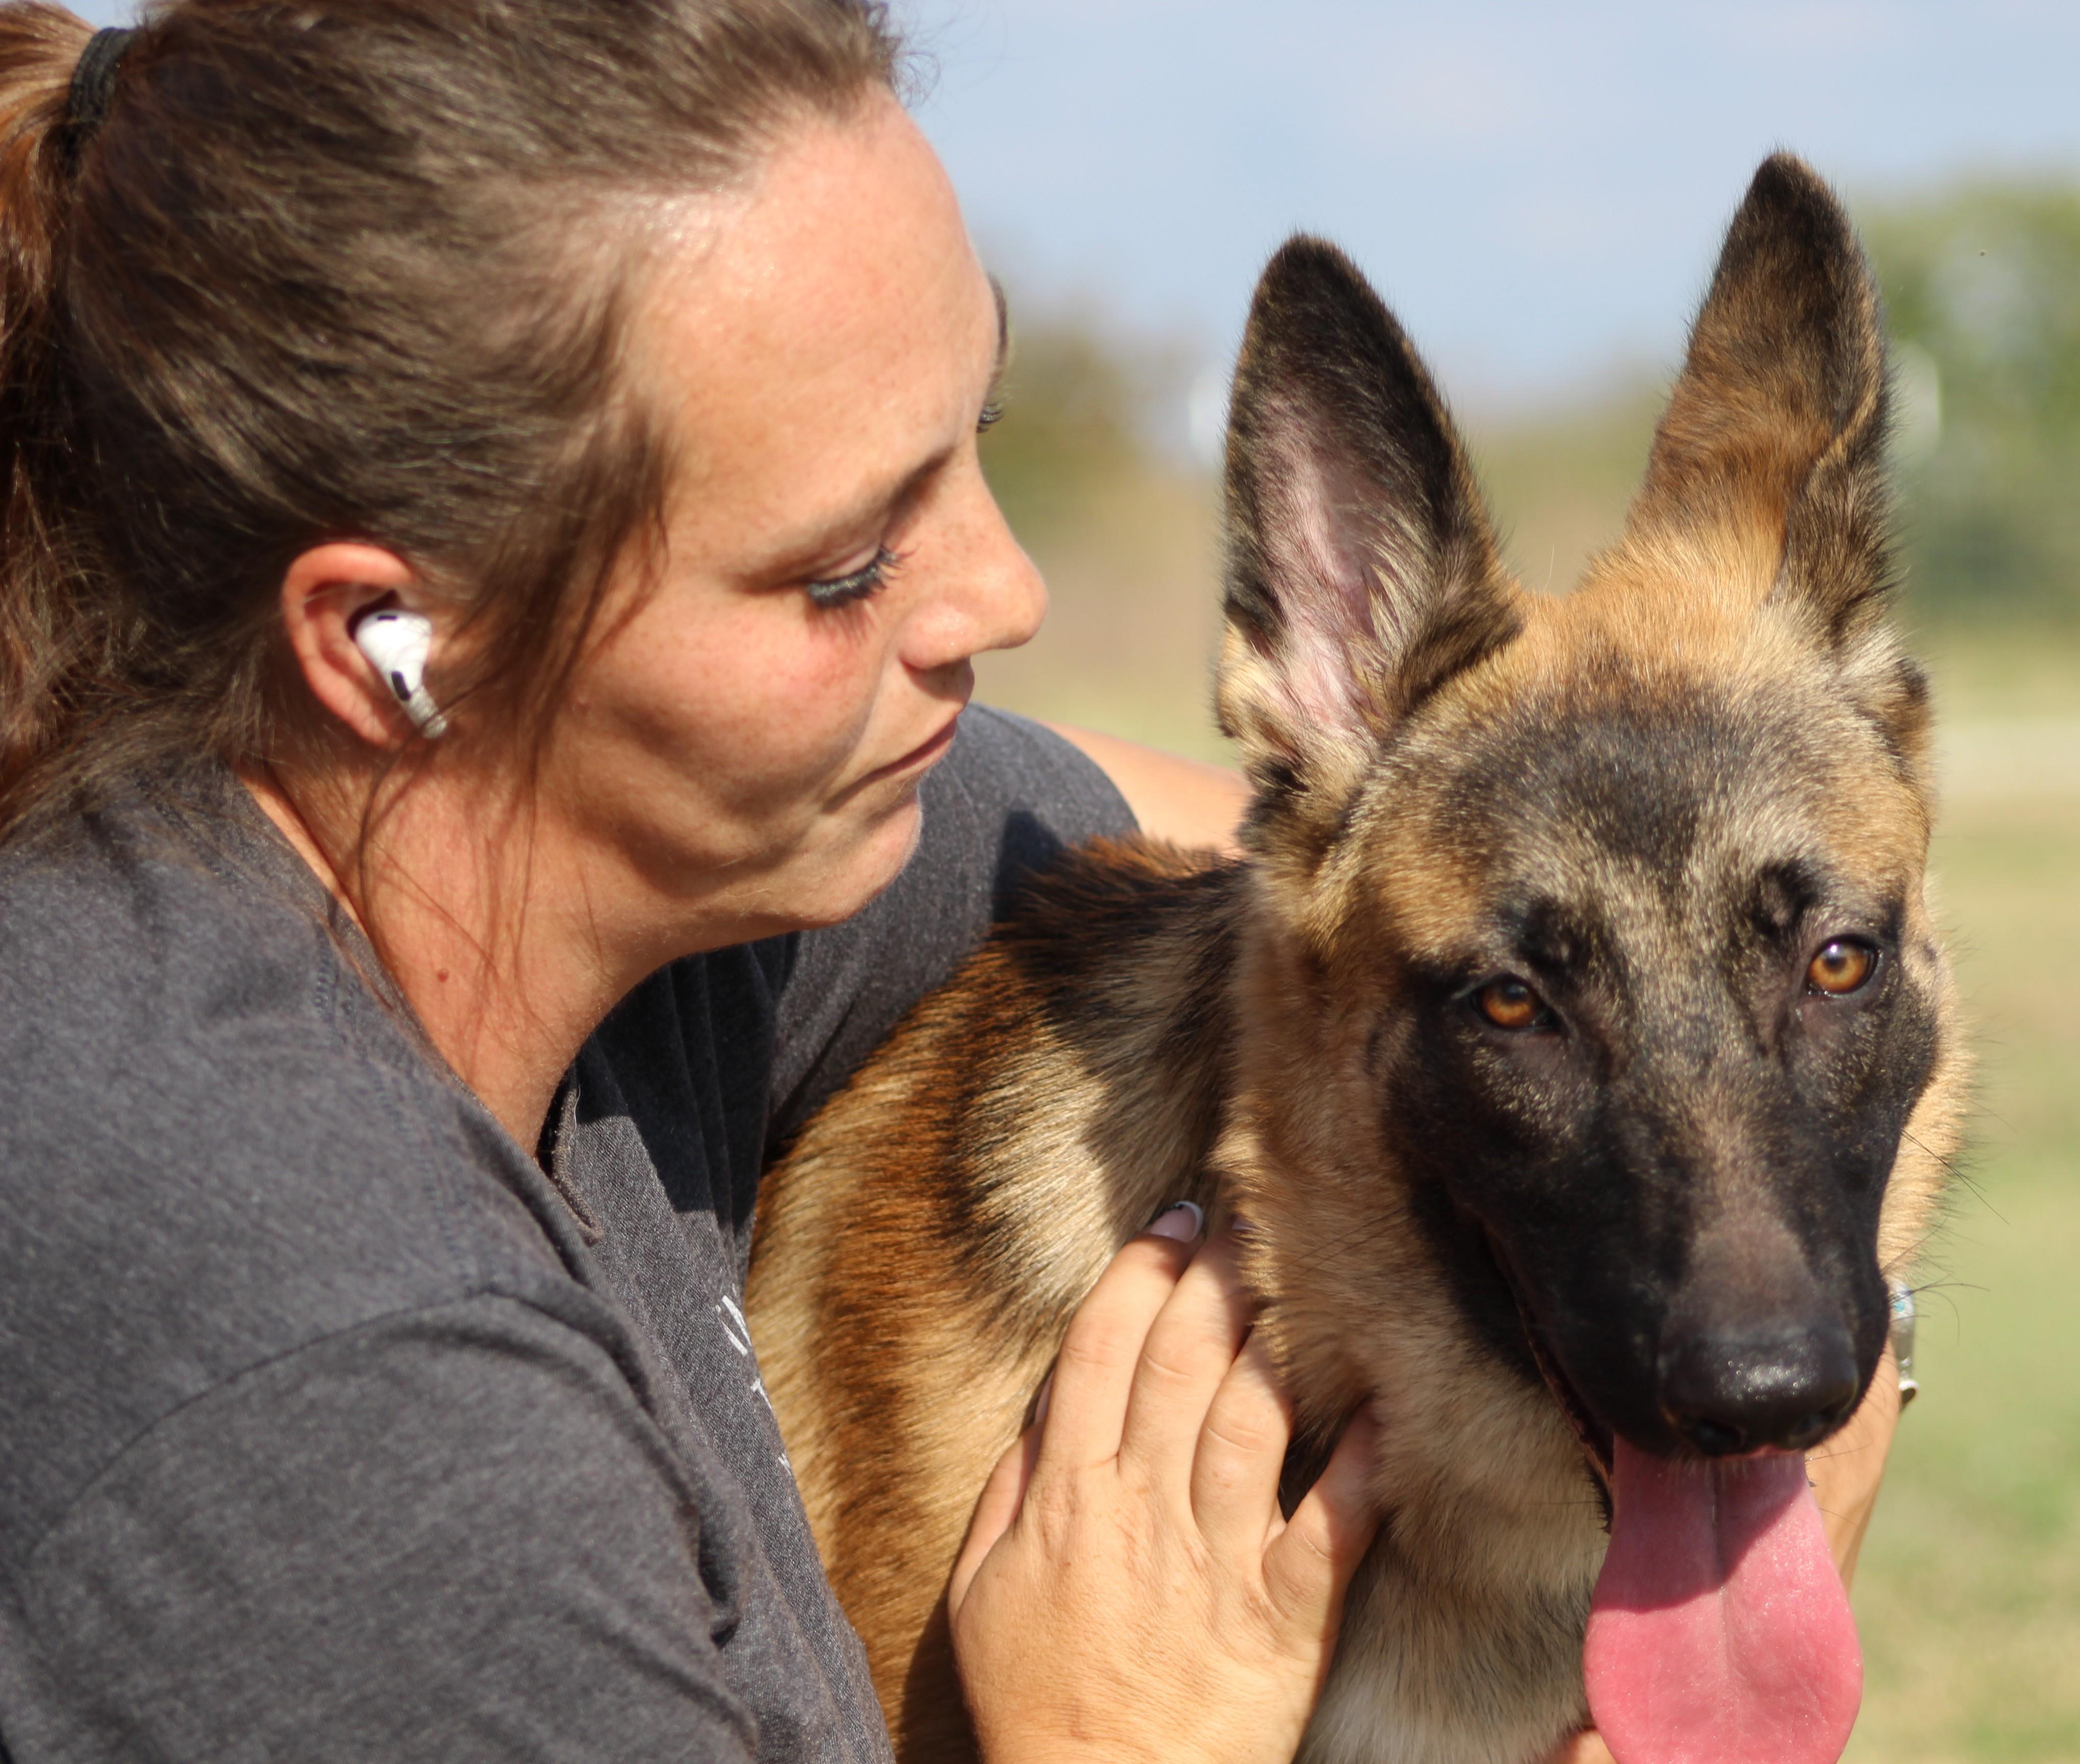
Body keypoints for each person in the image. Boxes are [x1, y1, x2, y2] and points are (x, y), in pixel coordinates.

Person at [0, 3, 1898, 1761]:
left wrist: (1802, 1219)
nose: (1007, 598)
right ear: (397, 643)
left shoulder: (653, 861)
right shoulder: (349, 1428)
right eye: (844, 563)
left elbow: (1301, 841)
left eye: (969, 448)